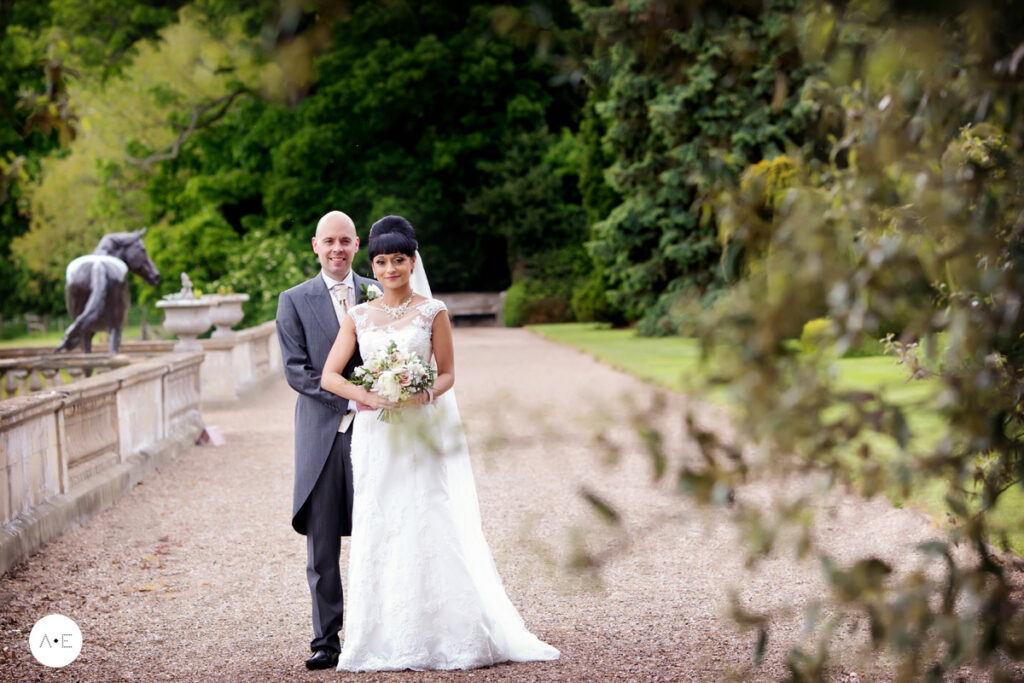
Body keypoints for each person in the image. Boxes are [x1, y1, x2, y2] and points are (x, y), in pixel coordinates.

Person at [321, 215, 560, 671]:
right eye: (381, 261)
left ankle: (448, 633)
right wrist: (369, 395)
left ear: (413, 261)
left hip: (420, 430)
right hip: (376, 436)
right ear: (371, 266)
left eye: (398, 260)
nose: (390, 269)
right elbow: (331, 376)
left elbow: (448, 372)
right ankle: (381, 637)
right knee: (382, 525)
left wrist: (420, 393)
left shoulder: (433, 311)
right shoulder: (359, 316)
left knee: (429, 518)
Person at [275, 211, 383, 670]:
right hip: (322, 435)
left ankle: (377, 630)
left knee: (380, 531)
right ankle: (326, 640)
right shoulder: (293, 300)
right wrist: (352, 398)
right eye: (328, 241)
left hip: (378, 434)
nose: (337, 248)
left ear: (357, 244)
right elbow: (297, 370)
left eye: (345, 240)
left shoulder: (380, 292)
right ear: (315, 246)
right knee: (322, 545)